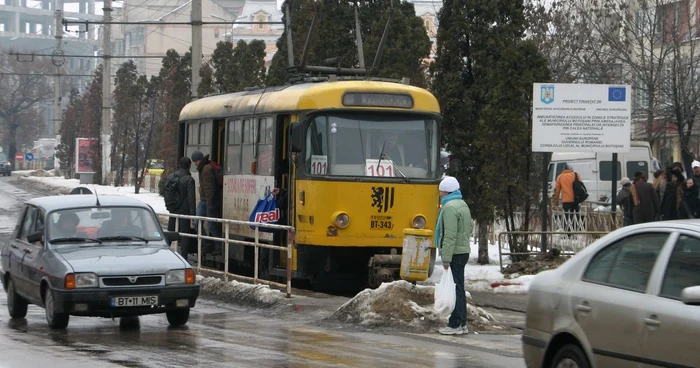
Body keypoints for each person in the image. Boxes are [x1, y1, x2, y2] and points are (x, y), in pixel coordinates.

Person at [434, 176, 473, 335]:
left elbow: (449, 235)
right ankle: (462, 323)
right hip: (463, 250)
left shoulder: (449, 207)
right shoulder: (462, 204)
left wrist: (446, 258)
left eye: (441, 191)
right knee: (459, 287)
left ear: (446, 191)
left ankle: (455, 324)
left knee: (455, 288)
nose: (440, 194)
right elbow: (470, 227)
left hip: (455, 253)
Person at [191, 151, 222, 249]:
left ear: (199, 160)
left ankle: (219, 245)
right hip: (204, 200)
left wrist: (209, 204)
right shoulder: (204, 167)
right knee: (198, 223)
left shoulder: (205, 169)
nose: (195, 163)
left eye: (195, 161)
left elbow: (209, 188)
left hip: (207, 201)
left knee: (210, 225)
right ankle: (206, 244)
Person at [167, 157, 197, 259]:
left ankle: (164, 252)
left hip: (173, 208)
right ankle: (184, 257)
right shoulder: (189, 179)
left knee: (170, 231)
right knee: (185, 234)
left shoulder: (171, 176)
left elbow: (166, 192)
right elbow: (191, 198)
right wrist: (193, 215)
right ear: (189, 166)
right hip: (184, 210)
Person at [553, 164, 583, 232]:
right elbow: (581, 186)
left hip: (566, 200)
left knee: (567, 216)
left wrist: (556, 202)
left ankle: (568, 232)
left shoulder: (560, 177)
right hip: (576, 199)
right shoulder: (576, 175)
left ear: (563, 169)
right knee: (576, 215)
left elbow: (557, 191)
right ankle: (577, 231)